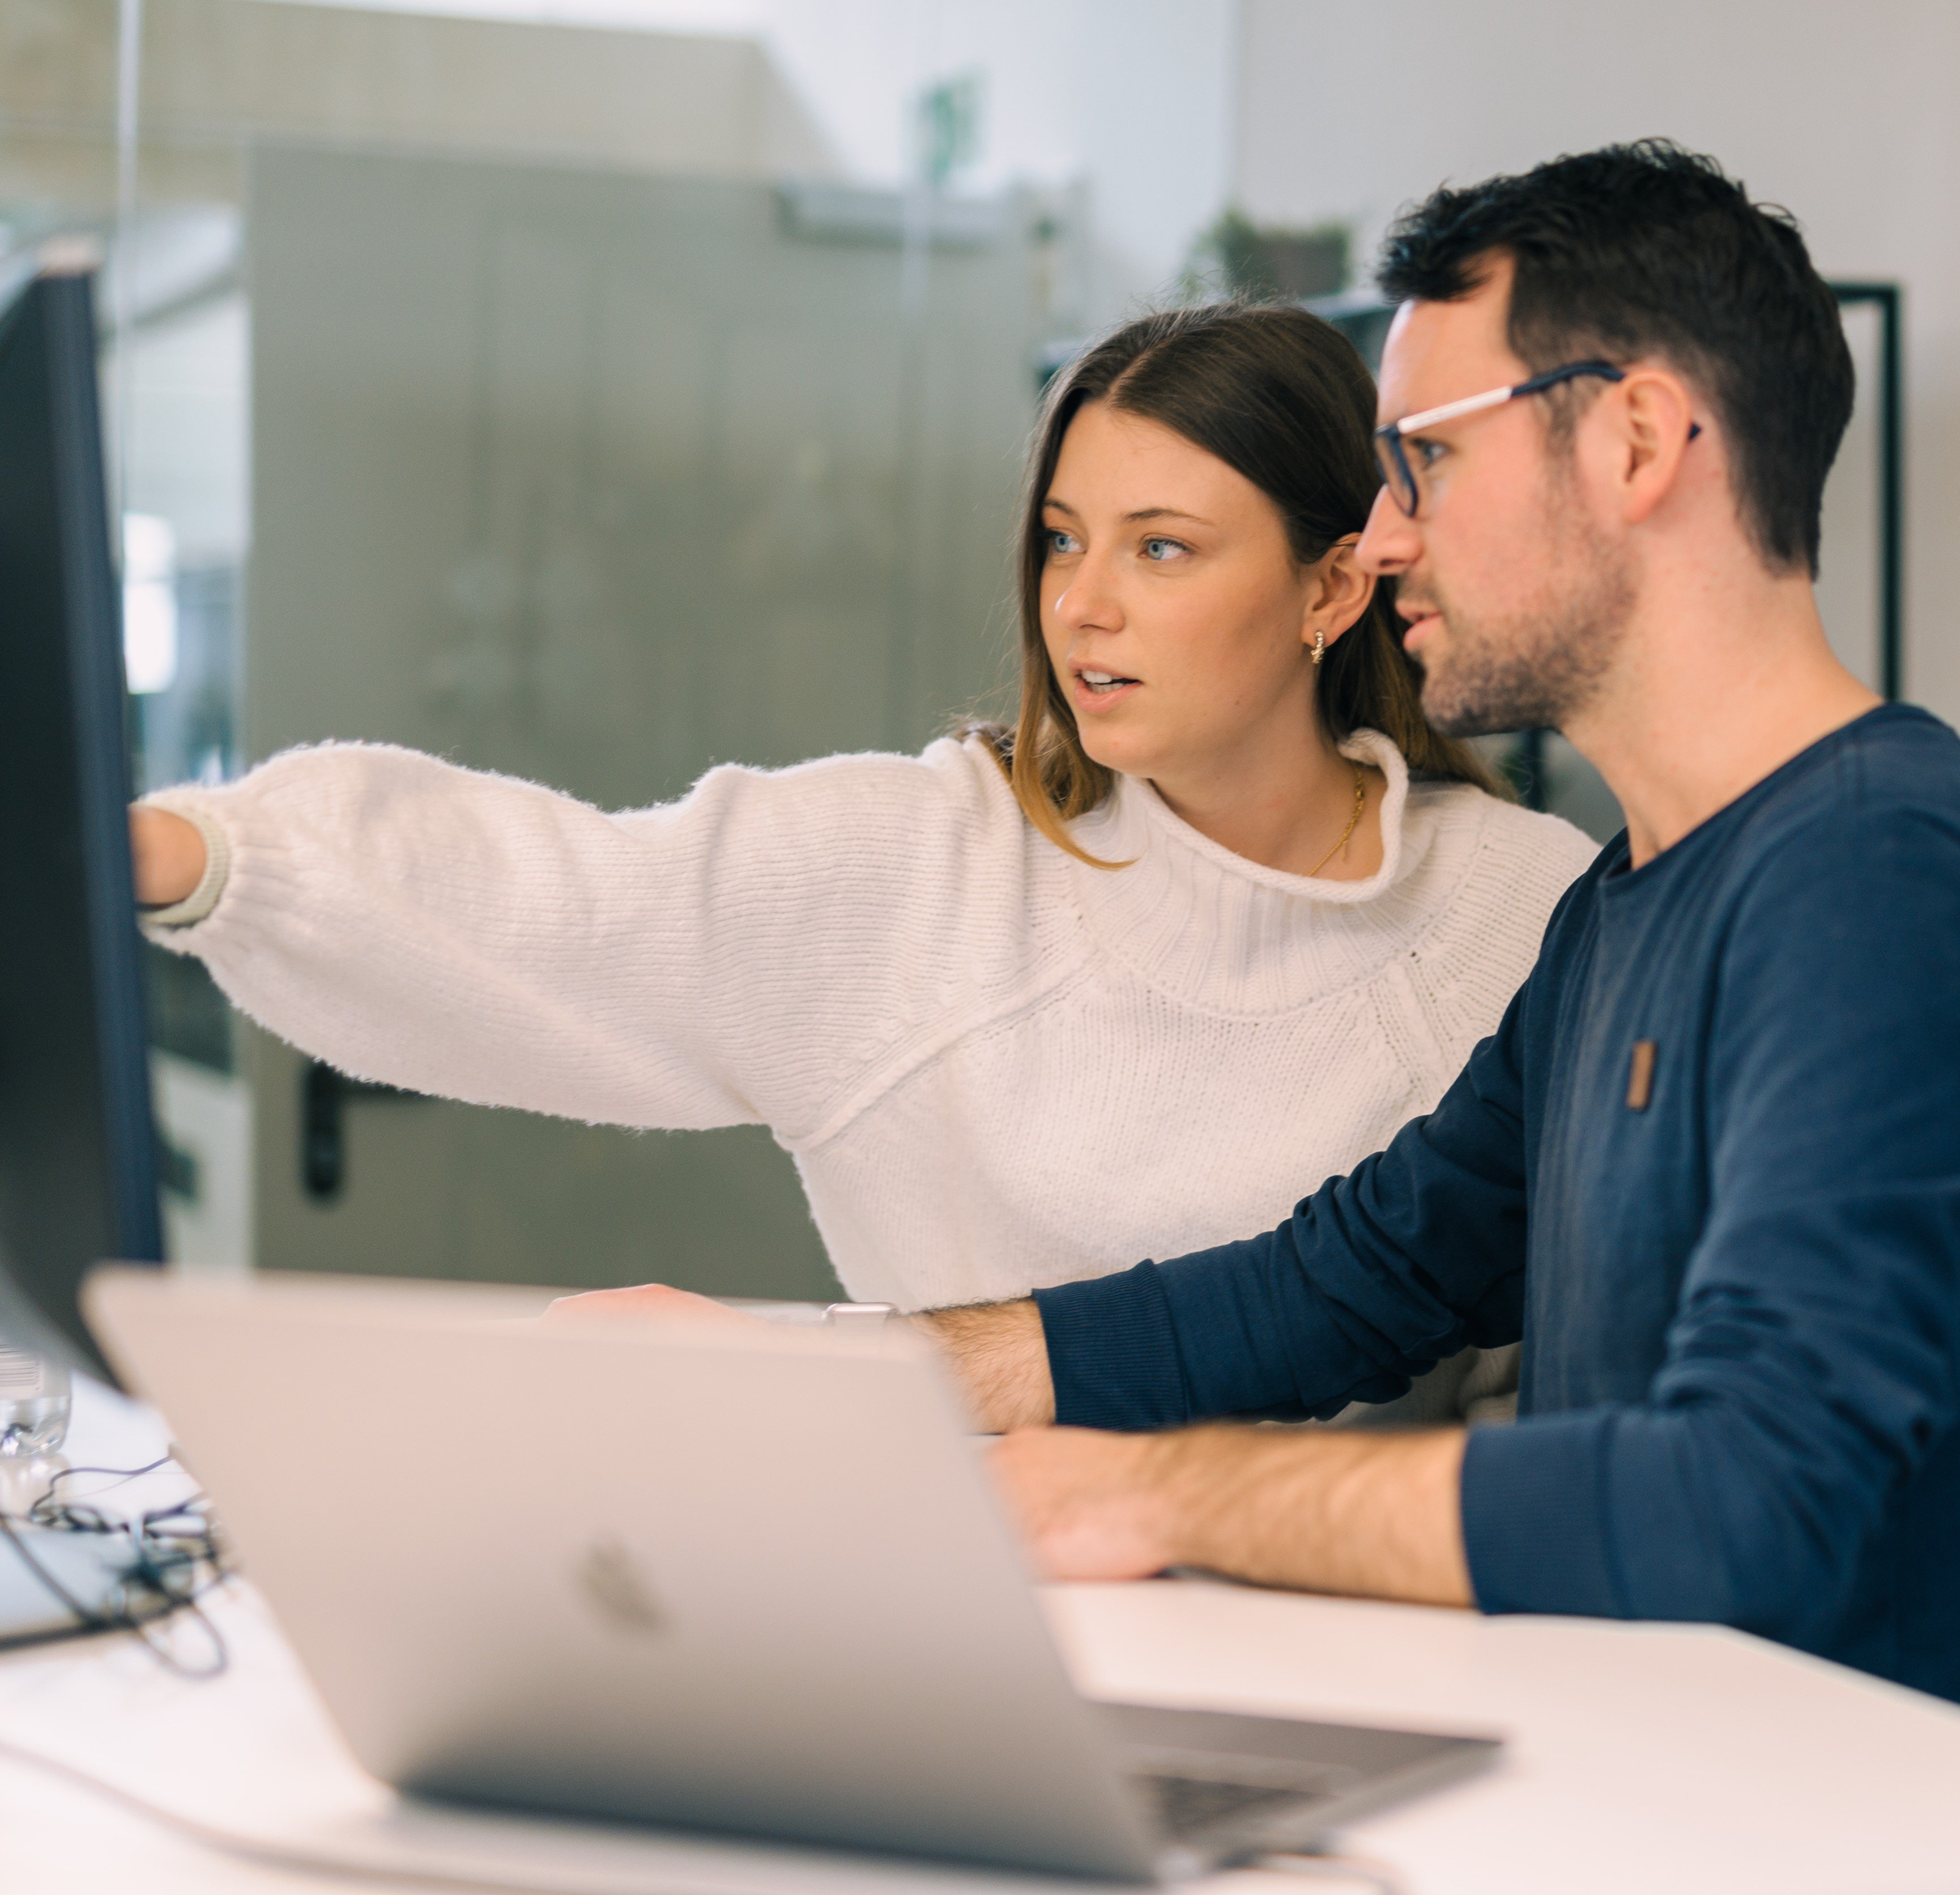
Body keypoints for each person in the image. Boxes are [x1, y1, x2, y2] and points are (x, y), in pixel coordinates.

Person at [901, 143, 1960, 1749]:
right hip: (1655, 1842)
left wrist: (1146, 1494)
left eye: (1425, 461)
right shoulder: (1626, 901)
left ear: (1632, 440)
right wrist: (854, 1385)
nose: (1386, 536)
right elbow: (1357, 1277)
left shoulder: (1885, 877)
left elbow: (1739, 1500)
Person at [130, 304, 1596, 1403]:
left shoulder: (1517, 913)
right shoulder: (930, 864)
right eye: (1059, 541)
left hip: (1380, 1683)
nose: (1078, 606)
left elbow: (1572, 1403)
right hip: (954, 1628)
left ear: (1333, 582)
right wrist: (184, 854)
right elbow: (555, 902)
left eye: (1160, 549)